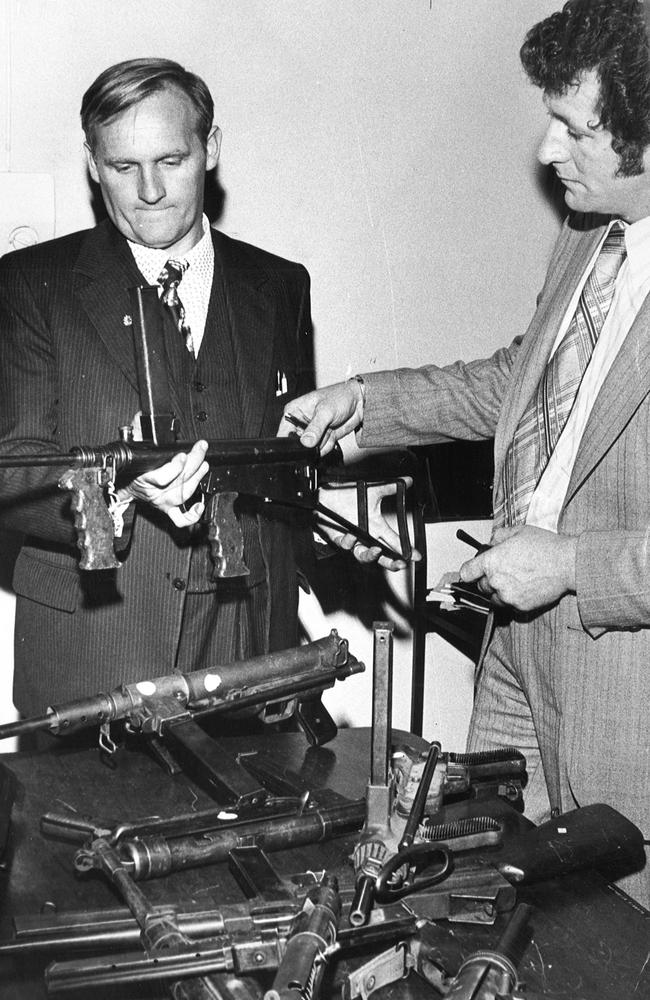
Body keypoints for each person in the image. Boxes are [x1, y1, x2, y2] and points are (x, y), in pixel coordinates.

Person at [279, 0, 650, 907]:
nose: (547, 152)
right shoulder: (588, 238)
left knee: (617, 938)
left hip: (626, 682)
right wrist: (369, 400)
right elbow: (521, 378)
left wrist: (568, 564)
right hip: (517, 648)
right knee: (496, 899)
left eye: (574, 128)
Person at [0, 58, 314, 716]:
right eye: (122, 167)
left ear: (211, 149)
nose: (149, 190)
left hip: (245, 660)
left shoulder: (280, 286)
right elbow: (12, 470)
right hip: (94, 656)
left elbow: (286, 475)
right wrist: (116, 488)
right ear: (92, 163)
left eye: (171, 160)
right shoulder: (29, 285)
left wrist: (286, 641)